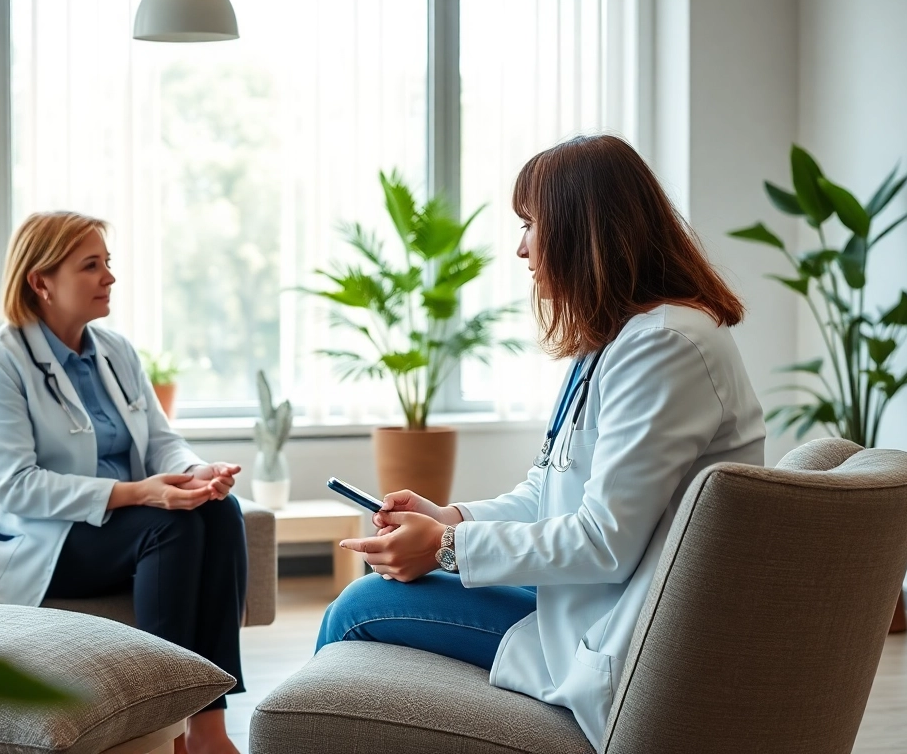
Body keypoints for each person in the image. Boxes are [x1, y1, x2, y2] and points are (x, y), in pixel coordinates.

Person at [318, 134, 766, 750]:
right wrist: (451, 517)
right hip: (579, 599)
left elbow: (606, 541)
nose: (521, 248)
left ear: (586, 233)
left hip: (613, 628)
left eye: (533, 224)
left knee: (359, 607)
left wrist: (448, 548)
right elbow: (549, 490)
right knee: (367, 596)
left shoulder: (667, 346)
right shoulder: (616, 340)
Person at [0, 211, 246, 754]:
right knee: (170, 529)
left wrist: (194, 473)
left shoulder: (115, 351)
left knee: (219, 511)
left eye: (107, 263)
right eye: (91, 266)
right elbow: (15, 486)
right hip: (35, 536)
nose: (109, 277)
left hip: (115, 522)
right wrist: (140, 492)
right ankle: (167, 733)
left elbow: (162, 441)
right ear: (40, 281)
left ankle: (209, 730)